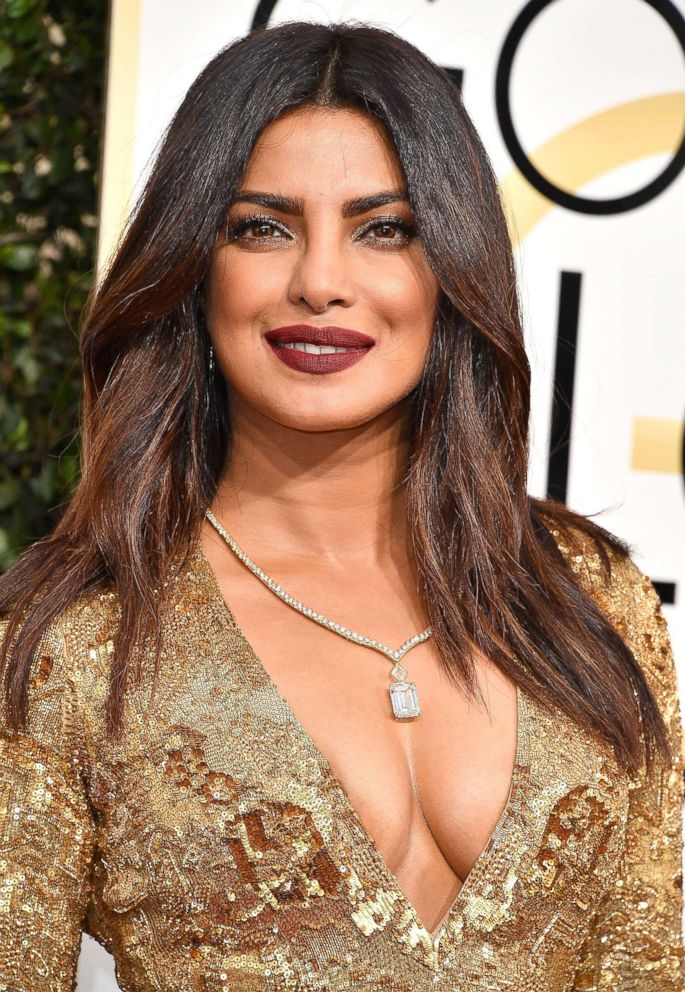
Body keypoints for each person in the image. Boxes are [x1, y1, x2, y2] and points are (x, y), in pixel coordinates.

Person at [0, 19, 682, 992]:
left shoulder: (586, 597)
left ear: (451, 265)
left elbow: (646, 963)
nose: (320, 280)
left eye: (384, 229)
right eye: (262, 227)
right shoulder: (74, 640)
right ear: (195, 268)